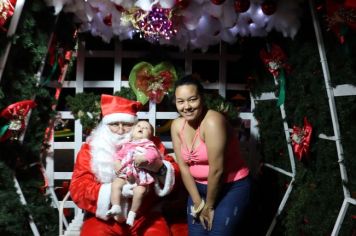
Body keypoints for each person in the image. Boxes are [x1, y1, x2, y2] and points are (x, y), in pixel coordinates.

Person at [69, 94, 187, 236]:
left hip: (145, 215)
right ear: (105, 126)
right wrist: (115, 191)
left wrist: (159, 168)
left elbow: (176, 175)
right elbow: (78, 188)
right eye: (114, 124)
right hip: (105, 217)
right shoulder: (91, 148)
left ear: (135, 125)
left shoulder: (151, 143)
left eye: (126, 124)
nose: (120, 130)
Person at [170, 75, 251, 235]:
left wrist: (209, 206)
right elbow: (184, 168)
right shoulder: (177, 125)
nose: (187, 106)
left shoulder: (213, 121)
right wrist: (198, 203)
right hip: (198, 189)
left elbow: (216, 170)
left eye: (192, 99)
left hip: (230, 188)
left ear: (202, 98)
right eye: (181, 101)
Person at [106, 120, 163, 226]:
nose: (141, 128)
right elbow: (118, 155)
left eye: (146, 128)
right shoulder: (127, 145)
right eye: (139, 126)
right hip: (126, 173)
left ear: (150, 135)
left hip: (141, 176)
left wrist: (144, 158)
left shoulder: (149, 144)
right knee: (116, 184)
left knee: (140, 191)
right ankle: (116, 206)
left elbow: (154, 154)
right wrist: (117, 163)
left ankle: (132, 213)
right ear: (132, 131)